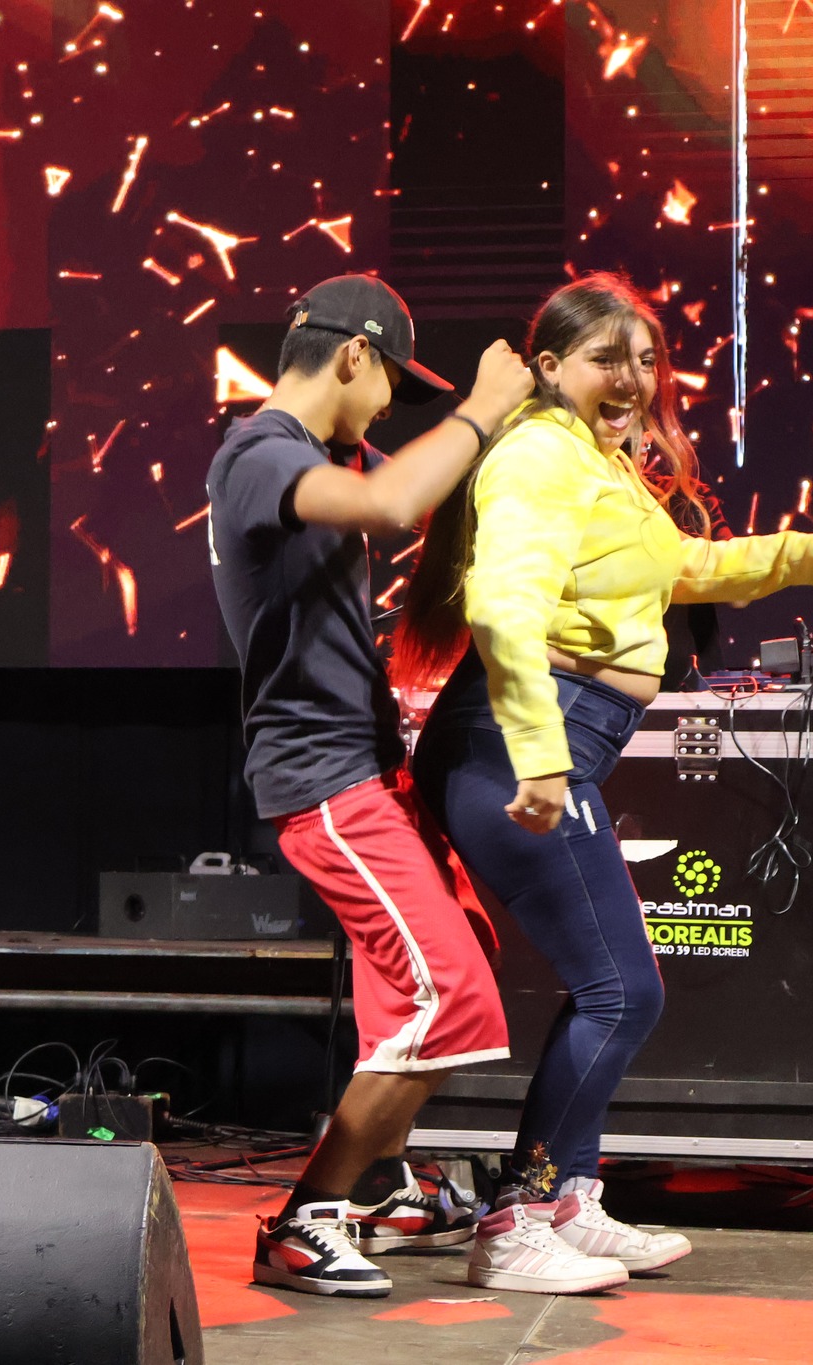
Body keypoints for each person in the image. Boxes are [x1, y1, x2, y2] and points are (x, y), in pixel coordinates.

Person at [398, 271, 813, 1294]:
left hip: (556, 733)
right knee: (620, 991)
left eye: (645, 358)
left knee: (611, 989)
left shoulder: (599, 462)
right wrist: (536, 757)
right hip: (519, 740)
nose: (631, 378)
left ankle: (566, 1195)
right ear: (546, 367)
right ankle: (516, 1219)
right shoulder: (535, 453)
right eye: (604, 358)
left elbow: (676, 570)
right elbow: (500, 606)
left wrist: (797, 553)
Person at [206, 274, 535, 1299]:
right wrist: (480, 406)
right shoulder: (259, 456)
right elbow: (396, 501)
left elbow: (419, 486)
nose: (393, 407)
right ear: (351, 353)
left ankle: (378, 1182)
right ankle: (304, 1219)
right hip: (322, 783)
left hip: (365, 772)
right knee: (452, 997)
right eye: (392, 382)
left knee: (437, 982)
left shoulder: (324, 453)